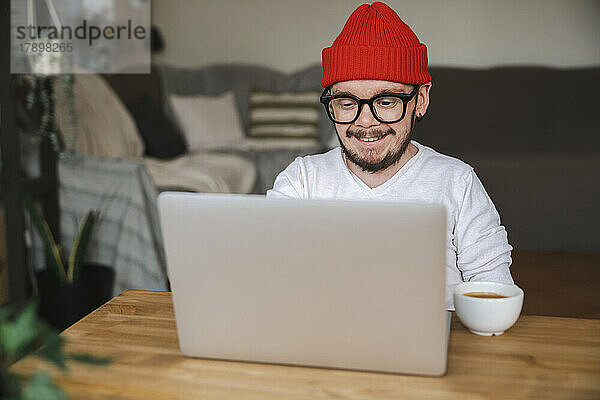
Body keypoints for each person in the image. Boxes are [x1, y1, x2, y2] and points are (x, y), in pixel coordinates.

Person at [266, 2, 514, 310]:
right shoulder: (301, 181)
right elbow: (269, 280)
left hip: (439, 349)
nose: (365, 122)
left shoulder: (458, 181)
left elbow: (495, 292)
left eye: (385, 101)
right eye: (346, 102)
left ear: (420, 100)